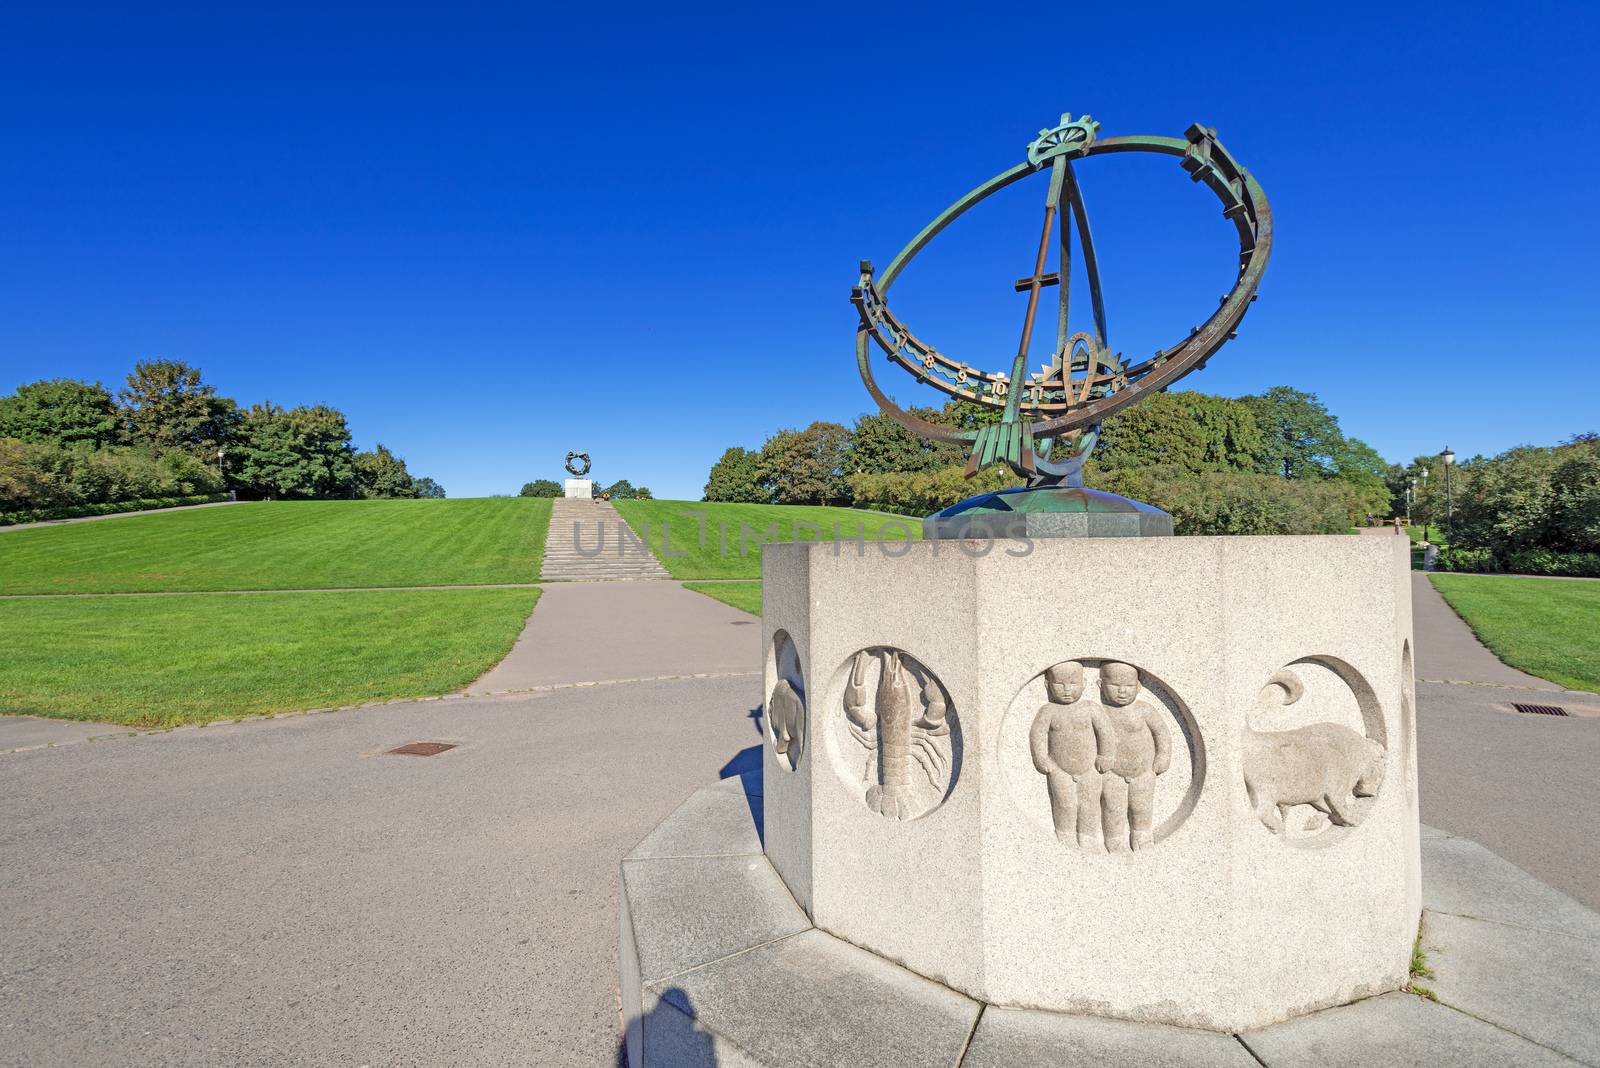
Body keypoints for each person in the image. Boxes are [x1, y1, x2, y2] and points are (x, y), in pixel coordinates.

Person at [1028, 662, 1113, 848]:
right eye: (1060, 684)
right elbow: (1038, 734)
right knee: (1065, 804)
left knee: (1089, 804)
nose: (1067, 689)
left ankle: (1088, 837)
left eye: (1073, 683)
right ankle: (1065, 836)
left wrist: (1106, 755)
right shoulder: (1048, 711)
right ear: (1047, 684)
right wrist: (1041, 757)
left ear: (1083, 683)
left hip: (1090, 769)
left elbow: (1105, 731)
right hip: (1059, 770)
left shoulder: (1091, 708)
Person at [1098, 662, 1172, 852]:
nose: (1122, 691)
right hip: (1112, 774)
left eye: (1129, 686)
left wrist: (1163, 755)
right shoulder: (1099, 712)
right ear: (1100, 685)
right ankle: (1114, 839)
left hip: (1144, 772)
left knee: (1141, 807)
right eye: (1115, 686)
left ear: (1138, 687)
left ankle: (1142, 835)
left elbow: (1161, 733)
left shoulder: (1144, 709)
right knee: (1113, 809)